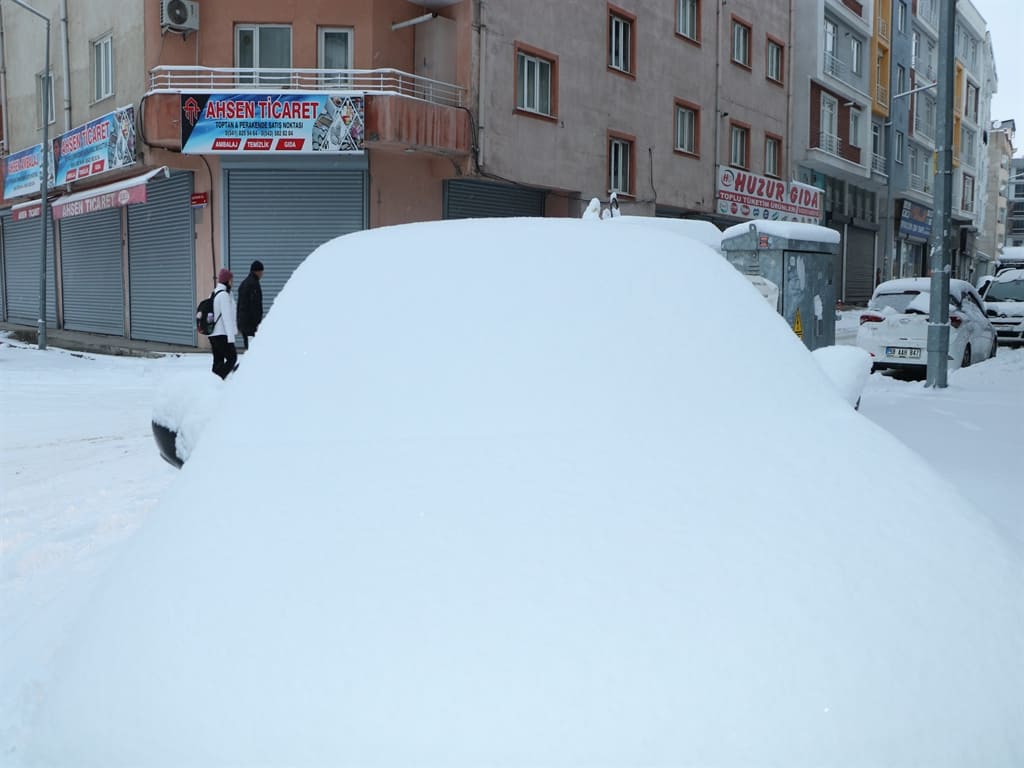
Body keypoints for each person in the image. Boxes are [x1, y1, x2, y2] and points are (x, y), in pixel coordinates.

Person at [209, 268, 238, 380]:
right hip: (222, 334)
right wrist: (231, 338)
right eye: (231, 280)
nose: (232, 282)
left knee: (218, 361)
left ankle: (216, 381)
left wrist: (210, 331)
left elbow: (210, 316)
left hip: (212, 333)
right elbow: (227, 318)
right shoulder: (224, 296)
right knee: (232, 358)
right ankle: (222, 379)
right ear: (227, 281)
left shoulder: (213, 293)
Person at [236, 260, 265, 350]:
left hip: (243, 322)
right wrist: (257, 322)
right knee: (252, 349)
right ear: (257, 271)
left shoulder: (244, 283)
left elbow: (239, 304)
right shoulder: (253, 284)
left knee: (248, 347)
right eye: (261, 272)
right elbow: (255, 306)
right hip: (250, 324)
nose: (262, 274)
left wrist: (239, 322)